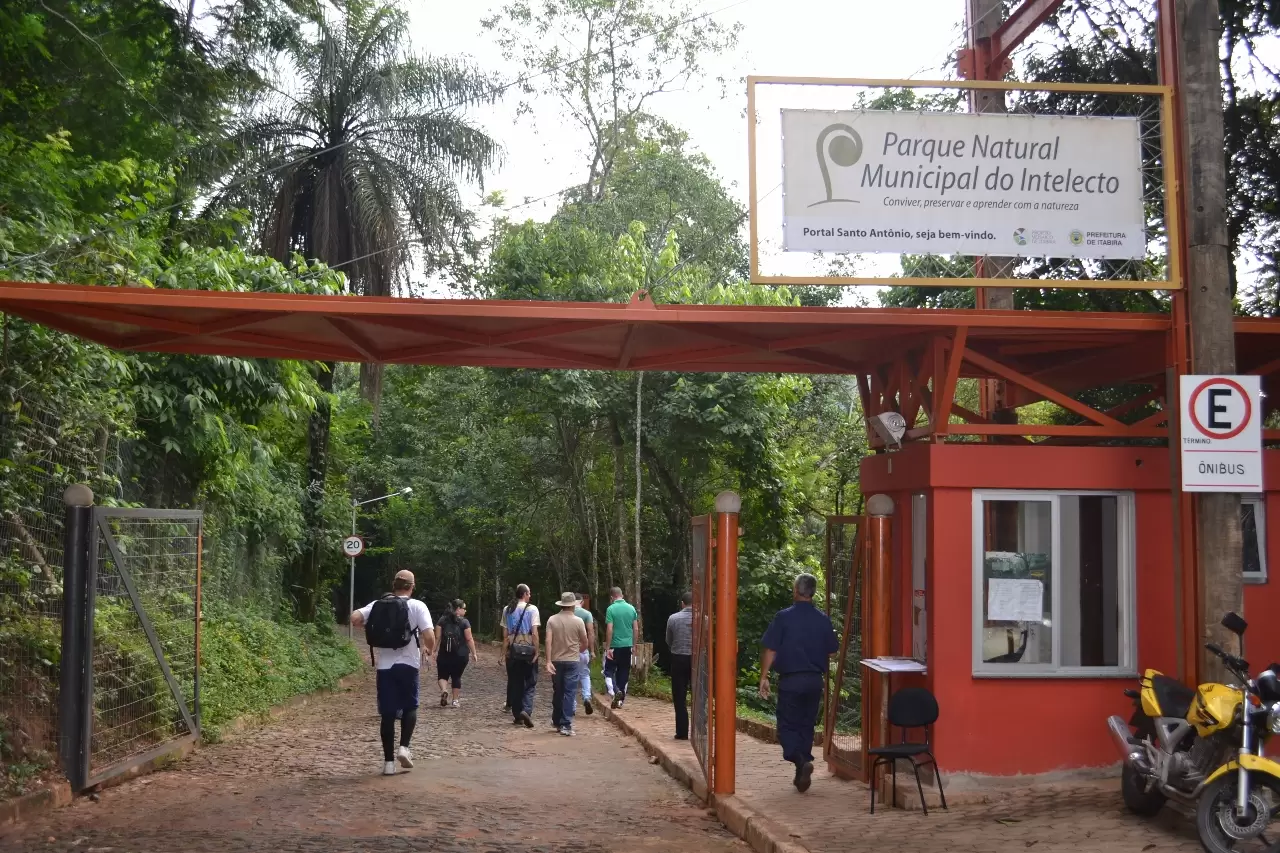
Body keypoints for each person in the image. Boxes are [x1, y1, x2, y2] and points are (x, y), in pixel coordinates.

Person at [757, 573, 839, 793]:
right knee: (806, 724)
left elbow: (771, 649)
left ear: (796, 591)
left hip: (791, 680)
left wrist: (764, 677)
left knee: (786, 726)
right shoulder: (823, 619)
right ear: (812, 593)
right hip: (814, 681)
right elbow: (832, 650)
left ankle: (800, 760)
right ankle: (801, 767)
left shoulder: (783, 618)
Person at [350, 570, 435, 776]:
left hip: (385, 667)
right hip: (408, 664)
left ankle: (388, 763)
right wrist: (429, 649)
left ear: (394, 585)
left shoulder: (379, 604)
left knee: (387, 714)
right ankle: (404, 748)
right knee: (410, 706)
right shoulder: (417, 605)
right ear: (412, 587)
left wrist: (366, 624)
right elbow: (429, 635)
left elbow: (354, 617)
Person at [545, 591, 590, 736]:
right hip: (572, 660)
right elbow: (585, 642)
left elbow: (548, 641)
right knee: (569, 693)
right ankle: (566, 724)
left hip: (556, 661)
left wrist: (548, 660)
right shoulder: (578, 621)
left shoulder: (552, 620)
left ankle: (556, 720)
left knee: (558, 691)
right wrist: (579, 650)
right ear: (573, 606)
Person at [503, 583, 540, 728]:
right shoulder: (532, 609)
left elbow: (505, 635)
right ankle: (526, 710)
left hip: (513, 650)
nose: (530, 596)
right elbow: (535, 633)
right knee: (530, 682)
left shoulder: (507, 609)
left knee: (516, 682)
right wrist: (537, 651)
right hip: (528, 650)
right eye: (529, 593)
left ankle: (517, 715)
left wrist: (503, 653)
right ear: (524, 594)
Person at [434, 599, 479, 708]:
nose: (465, 610)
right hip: (461, 655)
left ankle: (444, 690)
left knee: (442, 675)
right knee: (456, 677)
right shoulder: (464, 622)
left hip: (444, 654)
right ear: (458, 609)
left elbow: (437, 637)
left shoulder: (442, 620)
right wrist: (474, 653)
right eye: (464, 608)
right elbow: (469, 639)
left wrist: (433, 650)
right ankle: (455, 701)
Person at [603, 586, 639, 709]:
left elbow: (609, 629)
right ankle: (620, 700)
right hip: (627, 645)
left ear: (612, 597)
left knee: (608, 671)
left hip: (614, 646)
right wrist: (634, 645)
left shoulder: (611, 609)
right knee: (624, 672)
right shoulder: (631, 608)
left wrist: (608, 647)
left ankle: (614, 692)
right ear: (622, 595)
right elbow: (636, 628)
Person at [665, 591, 694, 740]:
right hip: (697, 660)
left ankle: (682, 731)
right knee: (699, 696)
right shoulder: (705, 619)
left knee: (679, 696)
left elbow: (668, 640)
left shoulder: (673, 618)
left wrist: (675, 648)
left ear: (682, 603)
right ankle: (700, 730)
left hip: (678, 658)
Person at [573, 592, 595, 715]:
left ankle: (572, 706)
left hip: (570, 650)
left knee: (572, 677)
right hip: (583, 649)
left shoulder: (567, 613)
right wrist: (591, 650)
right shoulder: (587, 614)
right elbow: (590, 633)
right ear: (581, 602)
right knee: (585, 674)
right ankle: (587, 697)